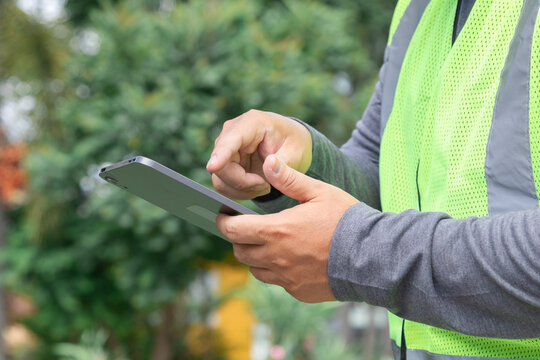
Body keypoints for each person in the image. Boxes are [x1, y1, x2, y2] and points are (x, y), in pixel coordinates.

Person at [206, 0, 540, 359]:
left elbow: (368, 236)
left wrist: (358, 252)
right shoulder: (419, 8)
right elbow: (383, 174)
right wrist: (292, 167)